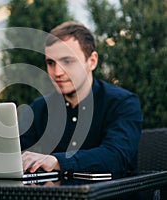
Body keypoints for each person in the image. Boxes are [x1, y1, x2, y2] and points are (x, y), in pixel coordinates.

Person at [19, 21, 143, 179]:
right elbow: (16, 152)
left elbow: (116, 156)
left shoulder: (123, 103)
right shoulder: (40, 108)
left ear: (92, 61)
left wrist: (57, 161)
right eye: (51, 63)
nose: (57, 72)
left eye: (67, 61)